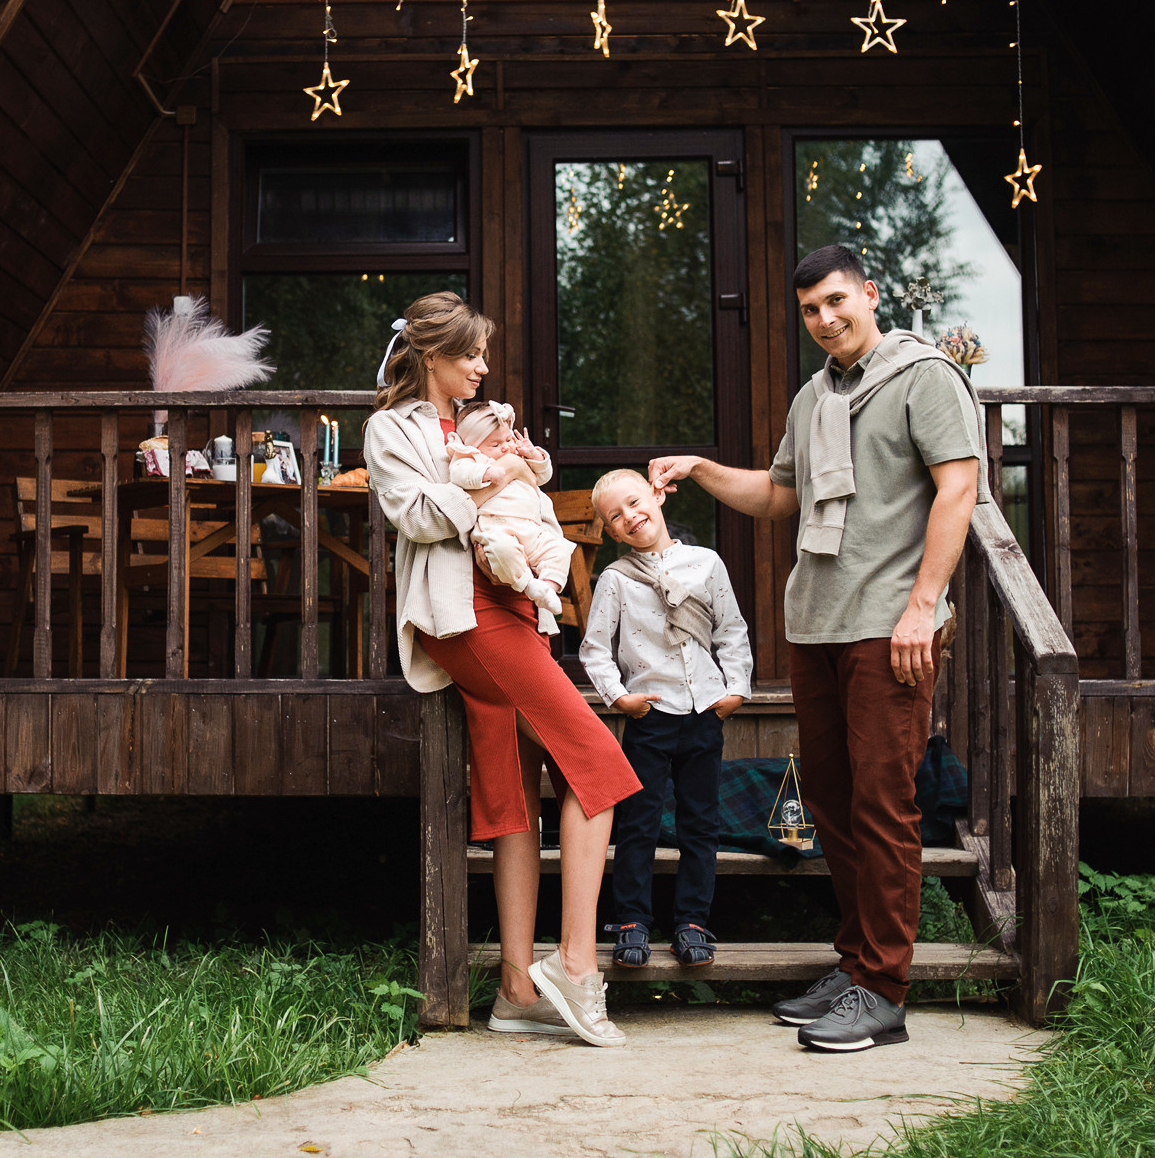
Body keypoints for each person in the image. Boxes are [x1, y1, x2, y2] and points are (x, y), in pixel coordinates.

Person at [648, 244, 988, 1053]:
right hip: (818, 624)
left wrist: (922, 607)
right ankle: (856, 964)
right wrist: (699, 467)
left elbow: (959, 487)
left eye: (837, 301)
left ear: (871, 294)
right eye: (810, 310)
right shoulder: (814, 397)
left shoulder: (924, 377)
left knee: (883, 801)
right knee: (833, 806)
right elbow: (779, 493)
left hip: (887, 624)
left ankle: (885, 987)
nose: (825, 319)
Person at [364, 292, 644, 1048]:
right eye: (471, 355)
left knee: (513, 791)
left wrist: (509, 469)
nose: (483, 368)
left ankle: (518, 987)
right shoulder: (392, 427)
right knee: (598, 762)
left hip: (516, 605)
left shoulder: (487, 421)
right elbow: (417, 514)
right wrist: (489, 480)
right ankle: (578, 966)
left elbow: (524, 494)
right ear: (431, 355)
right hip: (465, 614)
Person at [579, 469, 751, 971]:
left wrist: (736, 687)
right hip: (650, 716)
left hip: (703, 712)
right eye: (617, 516)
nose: (631, 517)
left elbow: (731, 630)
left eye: (635, 502)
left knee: (701, 823)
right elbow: (595, 650)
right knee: (639, 823)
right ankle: (632, 921)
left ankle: (692, 921)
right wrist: (618, 698)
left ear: (656, 496)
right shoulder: (615, 579)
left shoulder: (706, 564)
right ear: (612, 532)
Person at [444, 399, 572, 615]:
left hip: (531, 527)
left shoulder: (514, 455)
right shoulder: (472, 458)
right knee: (501, 550)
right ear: (473, 446)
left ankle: (549, 589)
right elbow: (458, 473)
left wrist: (533, 455)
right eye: (495, 445)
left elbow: (542, 477)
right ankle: (529, 585)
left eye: (507, 439)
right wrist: (484, 473)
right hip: (497, 527)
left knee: (560, 548)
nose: (505, 447)